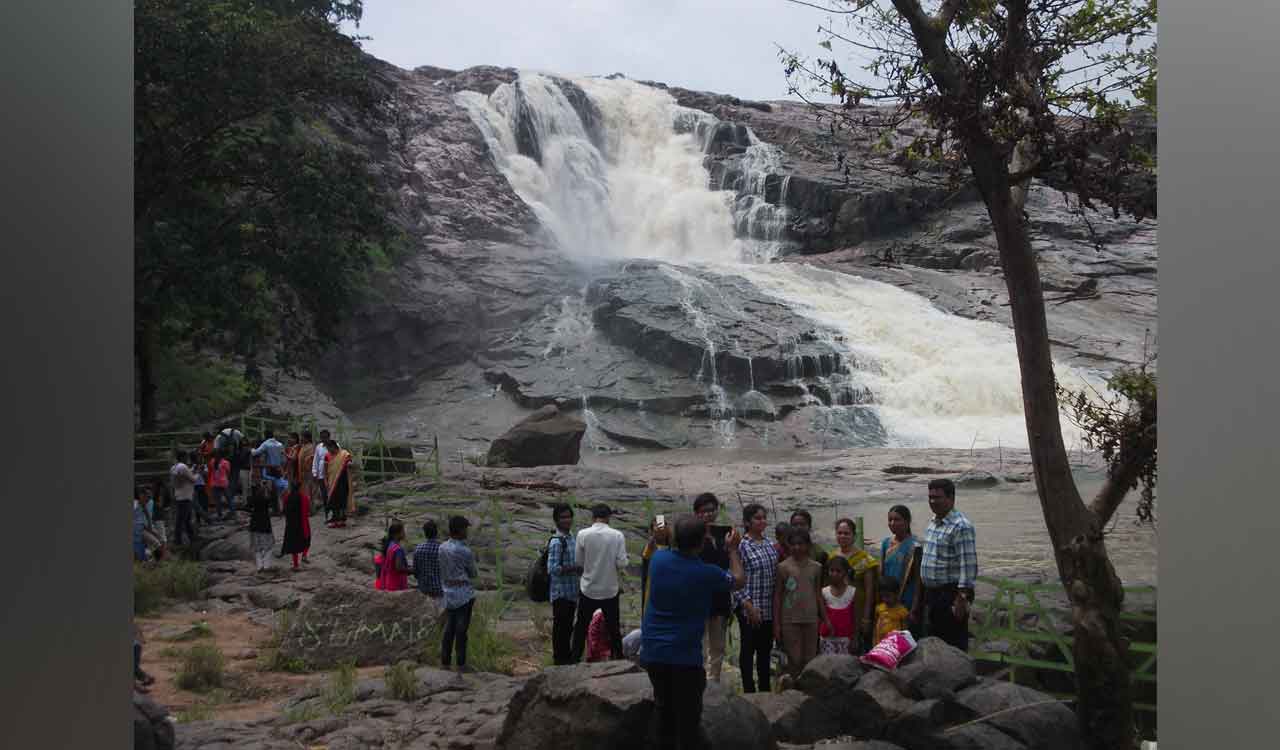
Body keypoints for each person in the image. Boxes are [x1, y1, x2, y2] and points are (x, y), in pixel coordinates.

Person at [641, 514, 745, 750]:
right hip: (684, 658)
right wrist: (732, 550)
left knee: (664, 710)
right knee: (688, 720)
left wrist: (661, 522)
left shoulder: (659, 559)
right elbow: (738, 580)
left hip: (654, 653)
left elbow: (660, 527)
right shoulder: (706, 573)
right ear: (701, 543)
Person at [916, 478, 978, 651]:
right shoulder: (933, 523)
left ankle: (958, 677)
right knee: (934, 643)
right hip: (932, 594)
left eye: (937, 497)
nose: (932, 501)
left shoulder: (961, 526)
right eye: (930, 497)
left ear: (951, 498)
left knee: (953, 644)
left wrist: (961, 598)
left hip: (950, 594)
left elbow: (968, 565)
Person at [571, 504, 629, 662]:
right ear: (609, 517)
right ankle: (618, 658)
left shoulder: (582, 534)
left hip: (588, 588)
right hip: (609, 589)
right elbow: (622, 563)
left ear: (593, 517)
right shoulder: (617, 535)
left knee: (581, 626)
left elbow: (578, 561)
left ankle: (574, 658)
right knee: (613, 628)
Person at [774, 528, 831, 681]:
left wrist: (825, 618)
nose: (797, 547)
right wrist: (777, 625)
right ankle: (793, 690)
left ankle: (807, 689)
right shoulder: (783, 567)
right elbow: (778, 596)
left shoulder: (817, 567)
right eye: (793, 544)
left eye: (801, 544)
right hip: (789, 619)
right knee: (795, 658)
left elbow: (818, 594)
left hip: (811, 618)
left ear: (808, 545)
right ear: (788, 546)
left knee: (810, 658)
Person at [733, 503, 779, 693]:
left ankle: (765, 689)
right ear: (747, 522)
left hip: (768, 607)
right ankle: (748, 689)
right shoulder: (742, 546)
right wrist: (749, 607)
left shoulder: (769, 544)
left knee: (764, 652)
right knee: (747, 651)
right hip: (750, 607)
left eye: (763, 518)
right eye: (757, 518)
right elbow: (735, 579)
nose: (762, 521)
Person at [692, 493, 732, 682]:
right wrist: (659, 521)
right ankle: (696, 680)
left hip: (720, 596)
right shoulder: (690, 535)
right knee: (698, 643)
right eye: (703, 511)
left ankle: (714, 681)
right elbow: (660, 533)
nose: (708, 514)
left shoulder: (724, 534)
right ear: (696, 513)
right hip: (697, 597)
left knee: (718, 645)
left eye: (711, 510)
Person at [832, 517, 881, 652]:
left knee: (857, 648)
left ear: (854, 535)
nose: (842, 536)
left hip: (857, 611)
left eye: (846, 533)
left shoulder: (864, 559)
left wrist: (866, 617)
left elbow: (870, 590)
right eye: (839, 533)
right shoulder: (832, 556)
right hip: (838, 610)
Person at [440, 515, 478, 672]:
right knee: (461, 630)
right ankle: (461, 664)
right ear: (460, 530)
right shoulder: (465, 551)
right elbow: (473, 573)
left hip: (447, 592)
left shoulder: (442, 547)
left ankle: (445, 662)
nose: (467, 531)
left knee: (449, 628)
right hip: (463, 593)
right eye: (466, 528)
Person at [547, 504, 583, 665]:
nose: (567, 520)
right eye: (563, 517)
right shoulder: (557, 542)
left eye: (569, 516)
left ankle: (566, 659)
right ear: (556, 520)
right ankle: (559, 660)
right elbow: (552, 568)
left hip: (572, 592)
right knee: (560, 629)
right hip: (561, 593)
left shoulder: (571, 538)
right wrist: (574, 568)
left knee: (568, 627)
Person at [879, 505, 922, 619]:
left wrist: (914, 607)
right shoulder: (886, 543)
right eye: (890, 520)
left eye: (897, 519)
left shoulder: (915, 546)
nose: (892, 523)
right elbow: (882, 573)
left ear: (907, 521)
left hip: (907, 598)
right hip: (887, 598)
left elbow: (918, 579)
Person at [819, 556, 856, 655]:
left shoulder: (852, 592)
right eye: (832, 570)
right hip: (827, 638)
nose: (834, 574)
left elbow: (855, 617)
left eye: (838, 571)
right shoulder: (824, 592)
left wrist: (854, 638)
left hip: (845, 638)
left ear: (846, 572)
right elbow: (822, 616)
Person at [789, 510, 831, 585]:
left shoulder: (820, 554)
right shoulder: (785, 550)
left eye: (802, 524)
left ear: (809, 527)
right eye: (795, 525)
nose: (799, 527)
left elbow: (826, 581)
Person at [279, 480, 311, 570]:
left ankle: (296, 565)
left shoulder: (287, 497)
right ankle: (304, 556)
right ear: (300, 488)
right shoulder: (304, 498)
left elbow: (284, 511)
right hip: (302, 523)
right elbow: (308, 510)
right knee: (307, 540)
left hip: (291, 524)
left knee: (294, 546)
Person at [253, 429, 286, 514]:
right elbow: (283, 459)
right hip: (278, 469)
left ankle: (275, 509)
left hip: (269, 470)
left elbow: (255, 453)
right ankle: (280, 509)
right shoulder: (280, 444)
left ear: (265, 435)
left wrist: (251, 449)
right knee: (278, 490)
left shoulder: (266, 444)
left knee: (271, 490)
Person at [323, 439, 354, 528]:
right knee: (333, 501)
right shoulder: (327, 456)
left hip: (343, 481)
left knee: (342, 500)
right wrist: (325, 481)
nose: (328, 451)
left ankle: (342, 520)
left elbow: (351, 464)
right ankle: (334, 519)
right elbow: (325, 470)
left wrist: (350, 464)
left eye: (329, 448)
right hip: (332, 482)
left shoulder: (344, 454)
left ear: (333, 446)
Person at [169, 451, 198, 546]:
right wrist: (199, 473)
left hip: (179, 495)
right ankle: (178, 541)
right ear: (183, 457)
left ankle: (192, 538)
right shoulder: (183, 467)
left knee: (186, 520)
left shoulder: (174, 467)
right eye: (186, 457)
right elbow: (193, 479)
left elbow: (185, 477)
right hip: (185, 497)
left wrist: (193, 469)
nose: (187, 459)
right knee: (182, 521)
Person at [874, 576, 912, 644]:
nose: (885, 599)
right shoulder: (879, 609)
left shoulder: (902, 612)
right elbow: (876, 628)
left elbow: (905, 632)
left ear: (896, 594)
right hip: (880, 643)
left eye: (888, 596)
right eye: (883, 596)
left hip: (894, 645)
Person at [248, 481, 275, 573]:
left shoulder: (253, 498)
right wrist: (268, 489)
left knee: (257, 547)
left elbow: (248, 505)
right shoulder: (265, 500)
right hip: (265, 526)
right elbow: (272, 500)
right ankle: (266, 565)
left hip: (254, 525)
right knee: (269, 546)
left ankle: (259, 566)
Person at [412, 520, 444, 599]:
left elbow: (415, 572)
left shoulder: (418, 549)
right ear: (436, 532)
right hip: (440, 590)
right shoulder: (443, 549)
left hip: (423, 590)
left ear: (425, 533)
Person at [378, 521, 412, 591]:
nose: (404, 534)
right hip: (397, 584)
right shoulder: (397, 549)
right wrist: (411, 570)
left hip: (389, 582)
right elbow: (399, 567)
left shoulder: (390, 545)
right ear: (396, 534)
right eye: (403, 531)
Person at [207, 449, 232, 520]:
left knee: (218, 500)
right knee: (228, 498)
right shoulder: (225, 462)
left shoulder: (212, 461)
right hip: (222, 482)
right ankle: (231, 512)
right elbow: (228, 472)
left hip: (216, 483)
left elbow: (211, 471)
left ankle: (220, 514)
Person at [297, 431, 318, 510]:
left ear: (308, 438)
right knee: (305, 490)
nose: (301, 438)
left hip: (308, 472)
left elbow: (311, 459)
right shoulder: (303, 446)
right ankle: (306, 507)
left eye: (302, 437)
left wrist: (306, 468)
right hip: (302, 472)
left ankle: (310, 508)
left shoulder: (311, 447)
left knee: (309, 490)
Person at [312, 429, 332, 509]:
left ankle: (332, 506)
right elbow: (315, 460)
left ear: (328, 437)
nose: (323, 439)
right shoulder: (319, 447)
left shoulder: (335, 445)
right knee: (323, 492)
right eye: (322, 438)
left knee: (331, 490)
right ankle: (326, 507)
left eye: (325, 438)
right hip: (321, 474)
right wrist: (314, 472)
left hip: (331, 473)